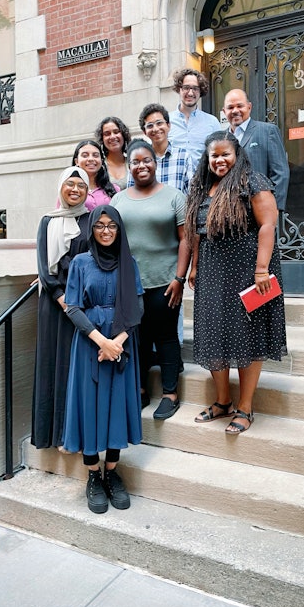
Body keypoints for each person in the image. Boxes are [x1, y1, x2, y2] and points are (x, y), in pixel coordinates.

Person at [185, 132, 287, 434]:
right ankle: (223, 401)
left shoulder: (252, 181)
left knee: (247, 336)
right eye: (213, 155)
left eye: (225, 154)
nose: (219, 160)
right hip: (212, 272)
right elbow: (199, 232)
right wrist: (194, 266)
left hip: (248, 270)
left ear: (237, 153)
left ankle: (245, 407)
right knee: (214, 333)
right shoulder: (203, 187)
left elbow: (268, 225)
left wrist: (261, 270)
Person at [62, 206, 144, 514]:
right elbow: (72, 307)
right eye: (100, 226)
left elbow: (137, 306)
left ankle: (112, 471)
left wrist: (118, 343)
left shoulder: (129, 263)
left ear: (120, 230)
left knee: (115, 407)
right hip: (89, 345)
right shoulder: (81, 263)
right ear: (92, 230)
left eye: (112, 226)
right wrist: (101, 341)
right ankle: (93, 476)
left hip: (122, 344)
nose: (106, 231)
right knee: (90, 407)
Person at [111, 139, 190, 419]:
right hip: (131, 285)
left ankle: (170, 393)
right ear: (129, 166)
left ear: (155, 163)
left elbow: (186, 240)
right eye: (135, 162)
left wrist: (179, 278)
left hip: (166, 282)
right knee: (138, 339)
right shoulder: (118, 200)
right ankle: (141, 391)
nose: (141, 166)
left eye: (147, 160)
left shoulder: (174, 196)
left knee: (166, 338)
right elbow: (111, 240)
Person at [32, 166, 90, 449]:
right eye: (70, 184)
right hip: (54, 305)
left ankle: (72, 435)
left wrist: (77, 302)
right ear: (61, 188)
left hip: (81, 304)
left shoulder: (92, 221)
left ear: (87, 191)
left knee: (73, 366)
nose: (75, 190)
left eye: (81, 186)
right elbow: (44, 266)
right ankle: (51, 435)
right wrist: (60, 297)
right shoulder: (47, 221)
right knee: (51, 364)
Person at [223, 89, 290, 211]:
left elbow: (280, 173)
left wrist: (273, 209)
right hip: (228, 212)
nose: (235, 111)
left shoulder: (267, 131)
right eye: (230, 107)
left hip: (259, 209)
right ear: (224, 111)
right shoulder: (221, 139)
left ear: (249, 107)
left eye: (240, 106)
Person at [127, 103, 193, 194]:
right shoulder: (138, 160)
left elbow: (191, 192)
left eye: (159, 123)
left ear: (168, 125)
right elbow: (131, 192)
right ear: (144, 131)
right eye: (150, 125)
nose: (155, 129)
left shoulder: (183, 156)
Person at [169, 69, 221, 171]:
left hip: (203, 184)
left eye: (195, 88)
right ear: (179, 89)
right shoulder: (166, 121)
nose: (191, 93)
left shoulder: (212, 122)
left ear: (200, 91)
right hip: (173, 183)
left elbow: (220, 153)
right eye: (186, 88)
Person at [72, 140, 119, 209]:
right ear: (76, 161)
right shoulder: (69, 190)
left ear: (102, 161)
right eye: (85, 155)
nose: (91, 159)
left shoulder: (114, 189)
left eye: (95, 155)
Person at [95, 116, 131, 190]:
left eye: (116, 132)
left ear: (123, 135)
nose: (112, 136)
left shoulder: (133, 162)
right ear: (102, 139)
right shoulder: (99, 166)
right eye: (107, 134)